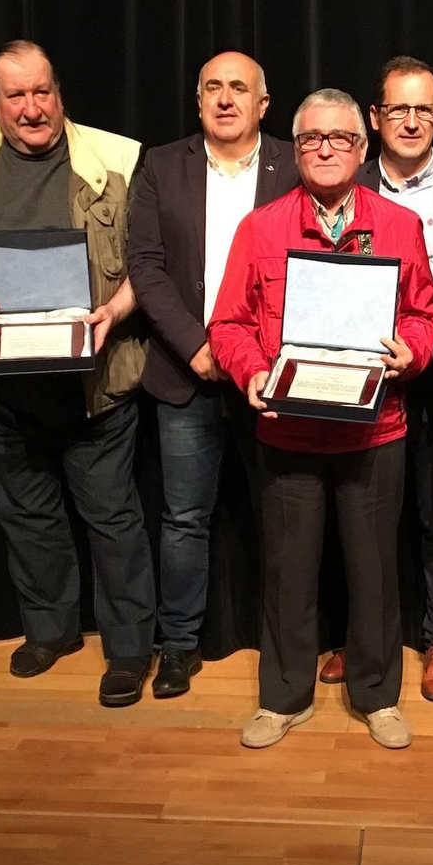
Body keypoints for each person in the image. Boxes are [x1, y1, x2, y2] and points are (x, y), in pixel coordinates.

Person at [0, 40, 156, 705]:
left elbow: (150, 254)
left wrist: (115, 308)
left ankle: (131, 647)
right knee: (26, 513)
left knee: (112, 517)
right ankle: (50, 630)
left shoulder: (116, 158)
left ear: (59, 94)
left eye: (42, 91)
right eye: (15, 96)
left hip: (94, 381)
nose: (31, 108)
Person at [208, 89, 433, 750]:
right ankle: (283, 698)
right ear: (295, 148)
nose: (327, 149)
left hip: (376, 430)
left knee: (374, 570)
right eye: (312, 139)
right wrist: (250, 369)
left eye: (340, 138)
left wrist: (413, 350)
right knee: (286, 568)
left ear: (362, 149)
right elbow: (228, 322)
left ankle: (376, 696)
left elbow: (423, 314)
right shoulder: (261, 228)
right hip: (288, 431)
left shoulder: (398, 224)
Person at [313, 56, 433, 701]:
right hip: (360, 382)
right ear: (376, 117)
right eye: (399, 108)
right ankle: (355, 637)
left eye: (424, 109)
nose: (412, 121)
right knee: (358, 518)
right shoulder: (343, 180)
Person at [126, 52, 298, 697]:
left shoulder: (294, 165)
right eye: (213, 88)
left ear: (263, 102)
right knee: (183, 518)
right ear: (198, 101)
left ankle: (286, 644)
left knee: (284, 517)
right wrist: (196, 345)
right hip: (186, 373)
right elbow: (145, 265)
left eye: (239, 89)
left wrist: (253, 353)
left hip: (273, 376)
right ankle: (178, 644)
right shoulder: (162, 164)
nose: (226, 99)